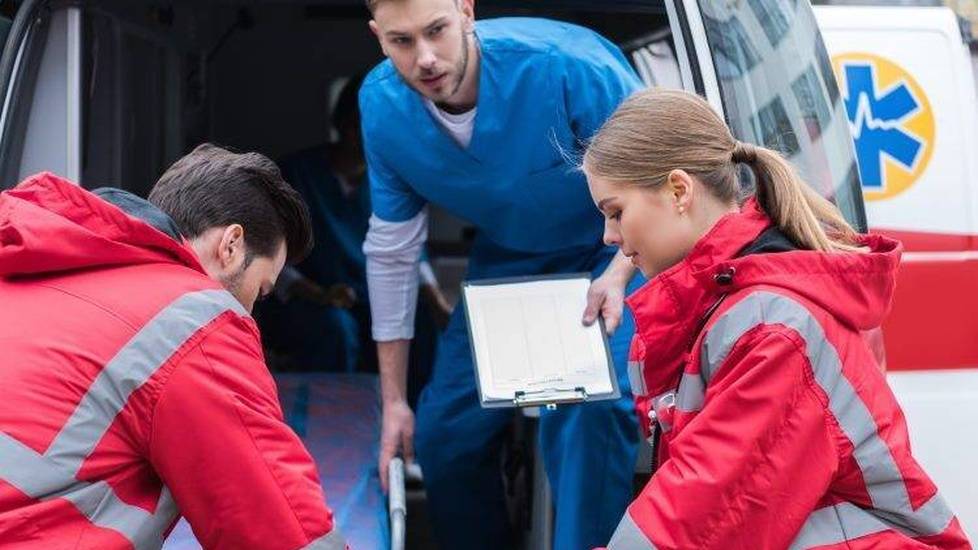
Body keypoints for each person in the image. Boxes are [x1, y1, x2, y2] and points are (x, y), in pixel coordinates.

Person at [583, 88, 971, 549]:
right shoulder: (729, 308)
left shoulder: (772, 328)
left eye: (616, 212)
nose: (608, 236)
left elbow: (704, 514)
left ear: (679, 190)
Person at [360, 0, 645, 547]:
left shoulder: (570, 67)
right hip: (509, 260)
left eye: (437, 31)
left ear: (466, 10)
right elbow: (393, 253)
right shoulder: (383, 108)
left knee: (590, 411)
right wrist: (394, 400)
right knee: (441, 433)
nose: (425, 59)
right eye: (401, 41)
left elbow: (660, 184)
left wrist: (619, 273)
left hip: (613, 251)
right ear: (378, 37)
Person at [0, 145, 347, 549]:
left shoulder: (31, 267)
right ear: (231, 245)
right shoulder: (192, 321)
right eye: (262, 291)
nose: (252, 312)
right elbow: (280, 529)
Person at [259, 74, 448, 390]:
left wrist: (438, 304)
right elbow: (268, 254)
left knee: (421, 325)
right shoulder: (296, 174)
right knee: (335, 330)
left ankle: (411, 422)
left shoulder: (393, 181)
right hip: (311, 299)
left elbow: (412, 250)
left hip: (374, 297)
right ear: (345, 126)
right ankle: (334, 422)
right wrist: (319, 294)